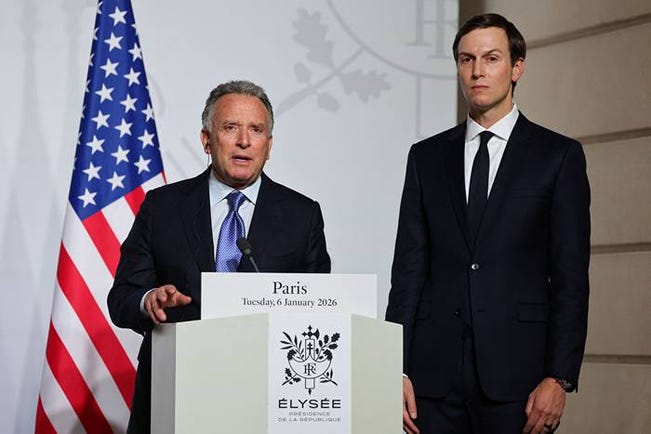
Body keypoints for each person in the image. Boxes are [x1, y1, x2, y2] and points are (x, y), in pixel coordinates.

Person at [385, 13, 590, 434]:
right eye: (467, 59)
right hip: (431, 380)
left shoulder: (557, 156)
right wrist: (395, 368)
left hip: (520, 380)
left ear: (517, 67)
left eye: (491, 58)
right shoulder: (425, 158)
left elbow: (570, 278)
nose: (477, 70)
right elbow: (408, 271)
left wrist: (560, 377)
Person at [107, 80, 331, 433]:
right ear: (206, 140)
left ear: (269, 145)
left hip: (264, 399)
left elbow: (320, 314)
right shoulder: (162, 207)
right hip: (174, 392)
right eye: (230, 127)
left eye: (256, 130)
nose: (244, 141)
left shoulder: (302, 216)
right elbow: (122, 298)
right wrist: (148, 300)